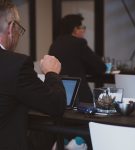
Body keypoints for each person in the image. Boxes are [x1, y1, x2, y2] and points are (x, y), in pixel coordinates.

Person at [0, 1, 66, 150]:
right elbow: (56, 105)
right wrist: (51, 73)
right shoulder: (16, 64)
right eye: (19, 29)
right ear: (11, 28)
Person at [48, 14, 106, 104]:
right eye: (82, 27)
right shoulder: (79, 43)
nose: (84, 30)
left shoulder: (55, 44)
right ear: (75, 29)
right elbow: (101, 67)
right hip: (78, 95)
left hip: (58, 94)